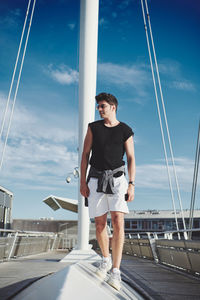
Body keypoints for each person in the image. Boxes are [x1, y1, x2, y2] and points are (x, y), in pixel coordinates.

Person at [80, 92, 135, 291]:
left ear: (113, 107)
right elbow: (85, 154)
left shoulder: (125, 130)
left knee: (118, 220)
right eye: (98, 106)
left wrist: (132, 183)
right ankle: (105, 259)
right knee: (100, 223)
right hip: (95, 179)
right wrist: (82, 183)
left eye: (102, 106)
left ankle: (116, 271)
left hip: (118, 179)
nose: (99, 109)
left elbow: (130, 159)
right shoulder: (93, 128)